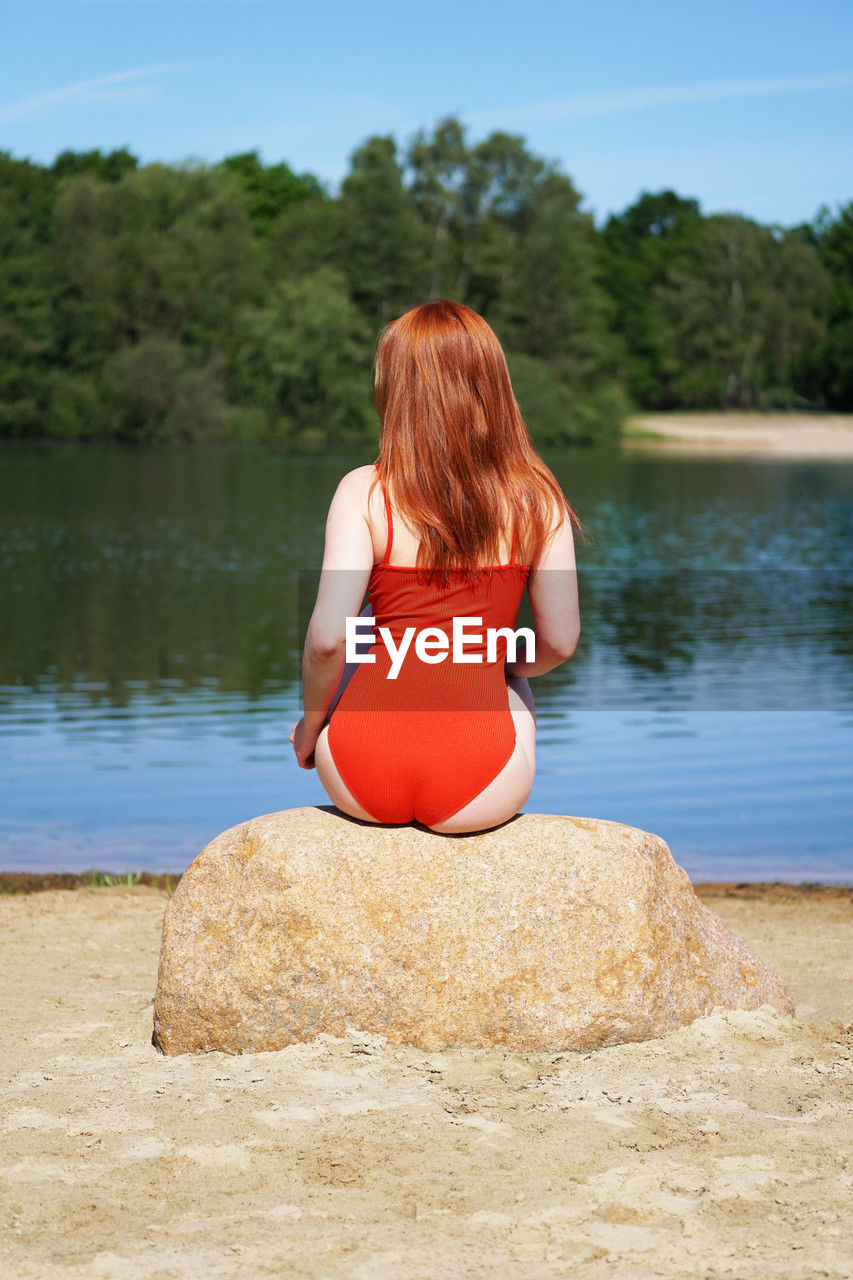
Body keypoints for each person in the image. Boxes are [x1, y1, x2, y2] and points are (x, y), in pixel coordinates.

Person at [289, 299, 586, 833]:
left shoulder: (364, 490)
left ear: (396, 389)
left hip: (358, 775)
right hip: (481, 783)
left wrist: (311, 730)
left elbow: (328, 639)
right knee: (509, 672)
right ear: (492, 386)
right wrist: (493, 665)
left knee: (364, 646)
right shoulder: (538, 499)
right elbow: (560, 643)